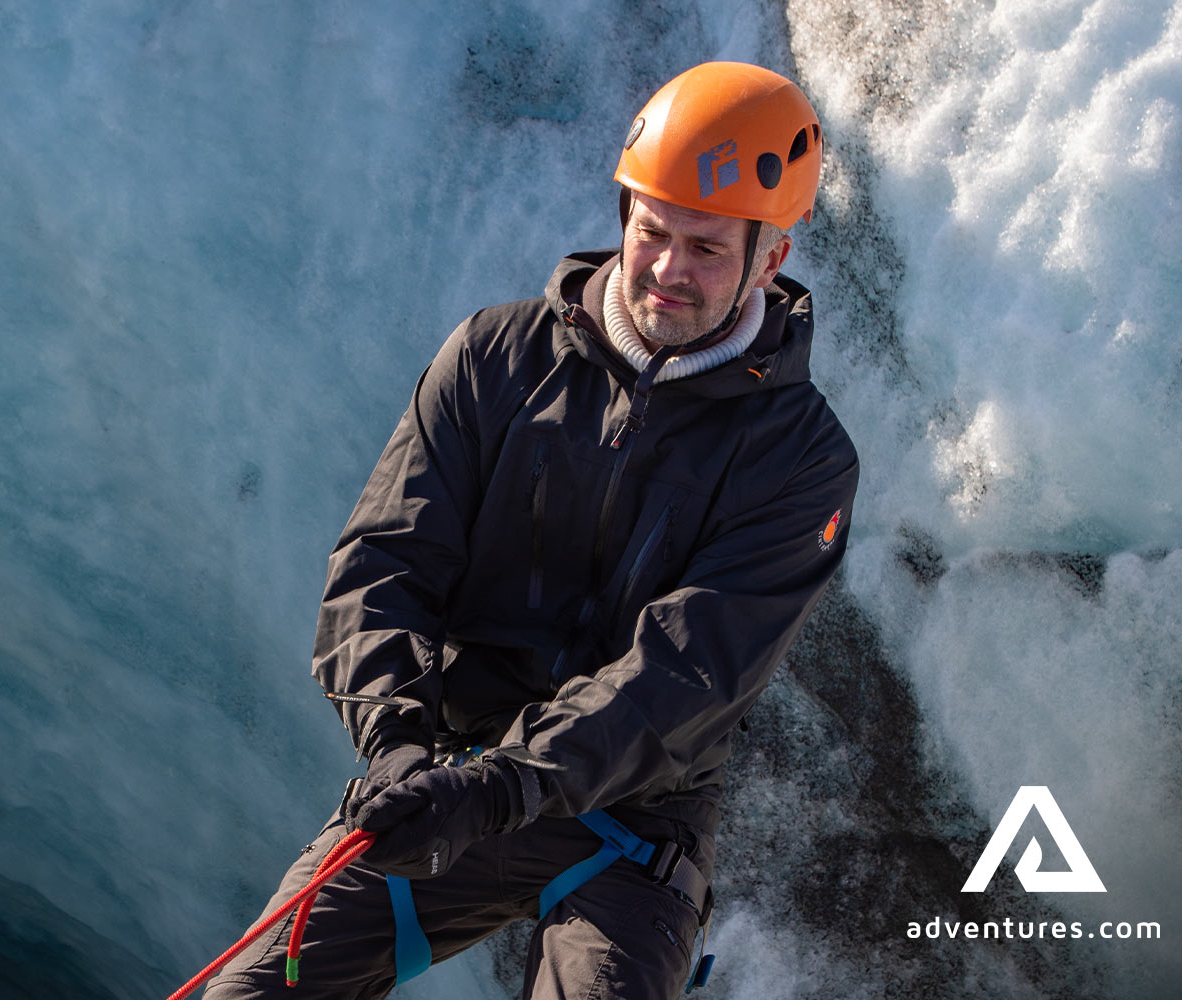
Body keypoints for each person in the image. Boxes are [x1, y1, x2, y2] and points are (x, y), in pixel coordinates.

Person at [203, 61, 859, 999]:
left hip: (633, 820)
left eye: (708, 250)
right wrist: (394, 743)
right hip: (444, 769)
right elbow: (383, 566)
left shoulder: (802, 458)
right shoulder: (493, 359)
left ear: (772, 258)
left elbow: (684, 675)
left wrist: (506, 786)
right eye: (652, 231)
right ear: (624, 213)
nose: (670, 270)